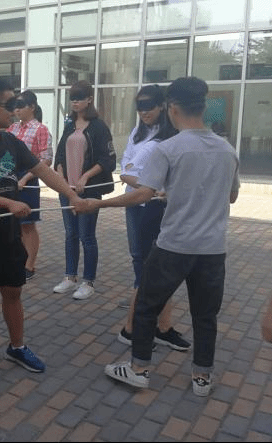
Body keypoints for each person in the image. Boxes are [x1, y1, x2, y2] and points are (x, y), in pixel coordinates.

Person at [77, 77, 240, 397]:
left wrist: (97, 203)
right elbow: (231, 197)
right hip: (213, 249)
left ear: (172, 108)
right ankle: (202, 377)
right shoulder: (227, 150)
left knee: (146, 306)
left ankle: (138, 370)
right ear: (203, 106)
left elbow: (142, 195)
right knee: (205, 315)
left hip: (174, 246)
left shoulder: (169, 149)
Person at [0, 77, 82, 382]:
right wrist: (7, 203)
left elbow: (42, 170)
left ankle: (17, 346)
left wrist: (72, 195)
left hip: (9, 236)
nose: (14, 110)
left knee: (13, 292)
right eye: (9, 104)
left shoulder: (11, 142)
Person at [117, 85, 190, 352]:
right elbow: (125, 169)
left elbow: (135, 172)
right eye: (139, 106)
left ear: (162, 106)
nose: (144, 111)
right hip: (136, 204)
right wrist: (148, 186)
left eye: (149, 105)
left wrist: (149, 185)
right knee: (143, 263)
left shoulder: (172, 135)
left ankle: (159, 327)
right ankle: (137, 328)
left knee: (159, 266)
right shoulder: (137, 133)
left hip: (158, 207)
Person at [52, 80, 116, 300]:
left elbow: (107, 159)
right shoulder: (69, 125)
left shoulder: (99, 127)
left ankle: (88, 282)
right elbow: (60, 154)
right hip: (67, 190)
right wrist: (60, 175)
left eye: (79, 98)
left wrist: (86, 176)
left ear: (89, 99)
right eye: (72, 98)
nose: (75, 102)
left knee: (87, 236)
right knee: (71, 234)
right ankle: (70, 277)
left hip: (88, 191)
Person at [7, 90, 52, 280]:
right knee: (14, 223)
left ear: (32, 107)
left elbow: (46, 159)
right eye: (14, 107)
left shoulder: (40, 129)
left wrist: (25, 178)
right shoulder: (12, 128)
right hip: (11, 177)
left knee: (27, 224)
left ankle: (29, 265)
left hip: (29, 178)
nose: (16, 110)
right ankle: (17, 260)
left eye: (20, 106)